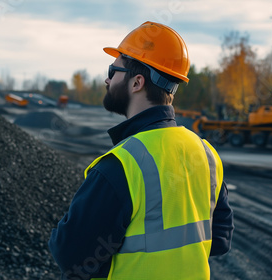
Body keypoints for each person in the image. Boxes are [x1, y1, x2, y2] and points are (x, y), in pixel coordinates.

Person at [48, 21, 234, 280]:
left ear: (137, 82)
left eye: (113, 70)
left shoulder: (121, 165)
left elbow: (70, 254)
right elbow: (220, 238)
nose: (107, 78)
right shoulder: (205, 153)